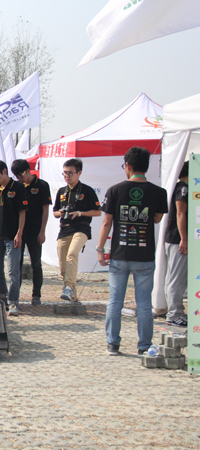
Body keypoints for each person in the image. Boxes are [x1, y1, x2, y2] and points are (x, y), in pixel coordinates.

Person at [97, 147, 168, 356]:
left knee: (115, 301)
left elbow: (106, 222)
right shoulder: (159, 192)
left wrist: (100, 249)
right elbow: (156, 219)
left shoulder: (115, 190)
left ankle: (113, 344)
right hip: (145, 255)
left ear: (127, 165)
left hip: (120, 254)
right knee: (144, 303)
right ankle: (144, 345)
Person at [53, 158, 101, 303]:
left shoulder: (87, 190)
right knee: (63, 266)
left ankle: (68, 288)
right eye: (64, 173)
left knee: (72, 254)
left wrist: (79, 213)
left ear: (79, 173)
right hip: (64, 229)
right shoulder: (62, 191)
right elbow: (55, 212)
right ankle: (71, 294)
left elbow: (97, 212)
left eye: (70, 173)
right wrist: (61, 213)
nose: (67, 176)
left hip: (81, 227)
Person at [0, 160, 28, 316]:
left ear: (4, 171)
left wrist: (19, 233)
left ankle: (13, 302)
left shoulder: (18, 188)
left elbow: (22, 212)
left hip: (12, 236)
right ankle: (1, 297)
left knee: (13, 272)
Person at [12, 159, 52, 305]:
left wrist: (42, 231)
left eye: (21, 175)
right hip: (19, 230)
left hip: (35, 230)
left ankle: (36, 294)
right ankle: (15, 294)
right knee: (17, 263)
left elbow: (45, 210)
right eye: (16, 176)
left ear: (28, 171)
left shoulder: (42, 185)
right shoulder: (17, 186)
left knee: (35, 263)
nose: (19, 178)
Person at [163, 161, 188, 327]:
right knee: (176, 278)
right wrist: (184, 238)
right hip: (177, 240)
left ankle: (175, 312)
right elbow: (180, 213)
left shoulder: (181, 187)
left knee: (175, 277)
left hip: (176, 239)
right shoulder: (183, 187)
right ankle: (174, 314)